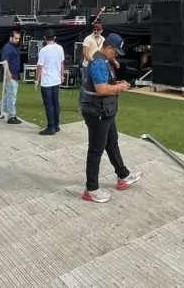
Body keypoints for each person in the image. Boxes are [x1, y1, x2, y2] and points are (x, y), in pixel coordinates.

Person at [80, 33, 141, 203]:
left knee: (112, 142)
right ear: (108, 48)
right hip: (97, 112)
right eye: (115, 52)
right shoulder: (99, 63)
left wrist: (116, 83)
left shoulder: (105, 61)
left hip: (105, 111)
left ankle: (123, 175)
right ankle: (91, 189)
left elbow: (105, 84)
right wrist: (119, 87)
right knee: (96, 150)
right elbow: (100, 89)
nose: (116, 56)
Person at [36, 30, 65, 135]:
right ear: (55, 38)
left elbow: (39, 67)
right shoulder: (60, 48)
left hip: (47, 81)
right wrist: (62, 75)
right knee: (55, 103)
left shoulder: (43, 50)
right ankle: (56, 125)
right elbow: (62, 64)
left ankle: (51, 127)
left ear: (45, 38)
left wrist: (36, 79)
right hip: (56, 80)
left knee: (49, 104)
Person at [0, 28, 22, 124]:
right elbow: (4, 61)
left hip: (14, 74)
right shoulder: (8, 47)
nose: (18, 40)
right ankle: (11, 116)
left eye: (18, 39)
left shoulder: (13, 47)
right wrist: (8, 73)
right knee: (12, 96)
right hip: (10, 75)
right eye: (16, 38)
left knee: (9, 94)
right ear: (11, 38)